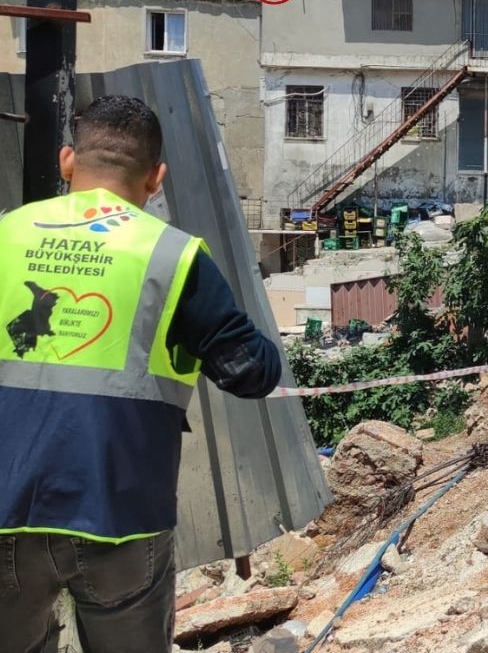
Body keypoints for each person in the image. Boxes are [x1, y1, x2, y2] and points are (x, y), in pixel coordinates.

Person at [0, 95, 283, 651]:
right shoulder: (169, 255)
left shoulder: (7, 234)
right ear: (157, 178)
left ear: (66, 161)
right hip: (120, 514)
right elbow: (251, 372)